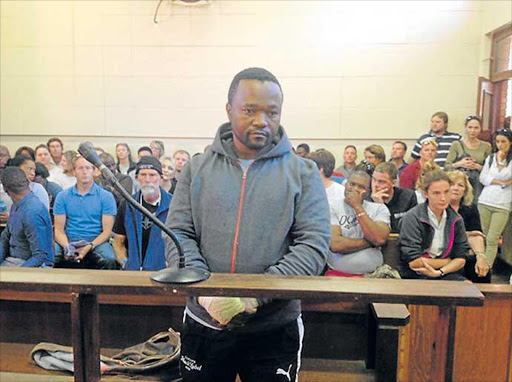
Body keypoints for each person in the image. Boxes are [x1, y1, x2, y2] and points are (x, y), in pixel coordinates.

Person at [164, 67, 330, 381]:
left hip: (274, 326)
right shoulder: (197, 169)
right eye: (249, 110)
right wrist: (206, 292)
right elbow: (178, 235)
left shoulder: (303, 173)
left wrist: (254, 295)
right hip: (205, 322)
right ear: (229, 109)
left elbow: (312, 246)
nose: (261, 121)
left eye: (272, 112)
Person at [398, 169, 468, 280]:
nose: (443, 198)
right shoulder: (413, 217)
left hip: (446, 273)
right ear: (426, 194)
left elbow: (461, 258)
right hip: (415, 275)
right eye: (436, 193)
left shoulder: (456, 219)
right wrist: (448, 261)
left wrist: (440, 272)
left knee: (467, 290)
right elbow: (414, 262)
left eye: (446, 191)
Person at [53, 155, 117, 269]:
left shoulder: (106, 197)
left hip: (96, 241)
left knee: (110, 259)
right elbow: (58, 230)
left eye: (88, 168)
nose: (84, 172)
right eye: (80, 168)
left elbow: (107, 232)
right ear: (74, 171)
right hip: (69, 239)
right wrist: (67, 246)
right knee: (49, 255)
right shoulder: (62, 196)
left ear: (94, 171)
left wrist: (90, 246)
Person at [113, 156, 172, 271]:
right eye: (143, 175)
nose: (147, 180)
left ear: (160, 178)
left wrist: (170, 265)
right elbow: (117, 241)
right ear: (136, 177)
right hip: (134, 273)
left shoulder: (173, 205)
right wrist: (125, 263)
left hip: (164, 273)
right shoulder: (127, 205)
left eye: (152, 175)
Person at [328, 171, 390, 276]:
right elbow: (336, 245)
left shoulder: (379, 208)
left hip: (373, 275)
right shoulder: (331, 206)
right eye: (352, 184)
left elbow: (379, 238)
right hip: (338, 275)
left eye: (361, 187)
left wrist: (357, 207)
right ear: (345, 184)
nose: (355, 189)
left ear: (368, 191)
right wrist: (370, 242)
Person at [0, 167, 53, 267]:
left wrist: (18, 275)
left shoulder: (33, 212)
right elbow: (5, 237)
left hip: (32, 265)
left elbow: (40, 256)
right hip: (13, 260)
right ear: (27, 182)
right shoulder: (15, 205)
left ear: (5, 189)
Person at [477, 128, 512, 270]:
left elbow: (506, 175)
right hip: (485, 200)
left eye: (503, 141)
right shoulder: (491, 158)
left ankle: (487, 268)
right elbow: (483, 178)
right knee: (482, 236)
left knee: (492, 238)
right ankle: (477, 265)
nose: (500, 145)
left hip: (502, 204)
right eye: (497, 141)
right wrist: (501, 182)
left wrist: (495, 179)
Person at [447, 170, 490, 283]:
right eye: (452, 184)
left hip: (465, 252)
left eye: (460, 185)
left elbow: (477, 235)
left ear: (465, 190)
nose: (455, 188)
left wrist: (480, 257)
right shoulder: (439, 208)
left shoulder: (470, 209)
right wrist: (467, 234)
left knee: (481, 269)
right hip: (444, 254)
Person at [444, 115, 492, 199]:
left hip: (478, 185)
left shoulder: (486, 146)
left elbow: (491, 170)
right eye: (470, 127)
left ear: (480, 129)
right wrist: (460, 164)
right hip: (459, 183)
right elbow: (446, 166)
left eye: (476, 128)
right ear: (465, 128)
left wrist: (477, 166)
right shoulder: (456, 144)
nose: (472, 131)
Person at [371, 162, 417, 233]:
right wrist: (377, 205)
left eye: (381, 182)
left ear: (393, 183)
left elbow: (409, 228)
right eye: (373, 180)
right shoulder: (366, 199)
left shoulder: (408, 196)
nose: (375, 185)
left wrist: (381, 206)